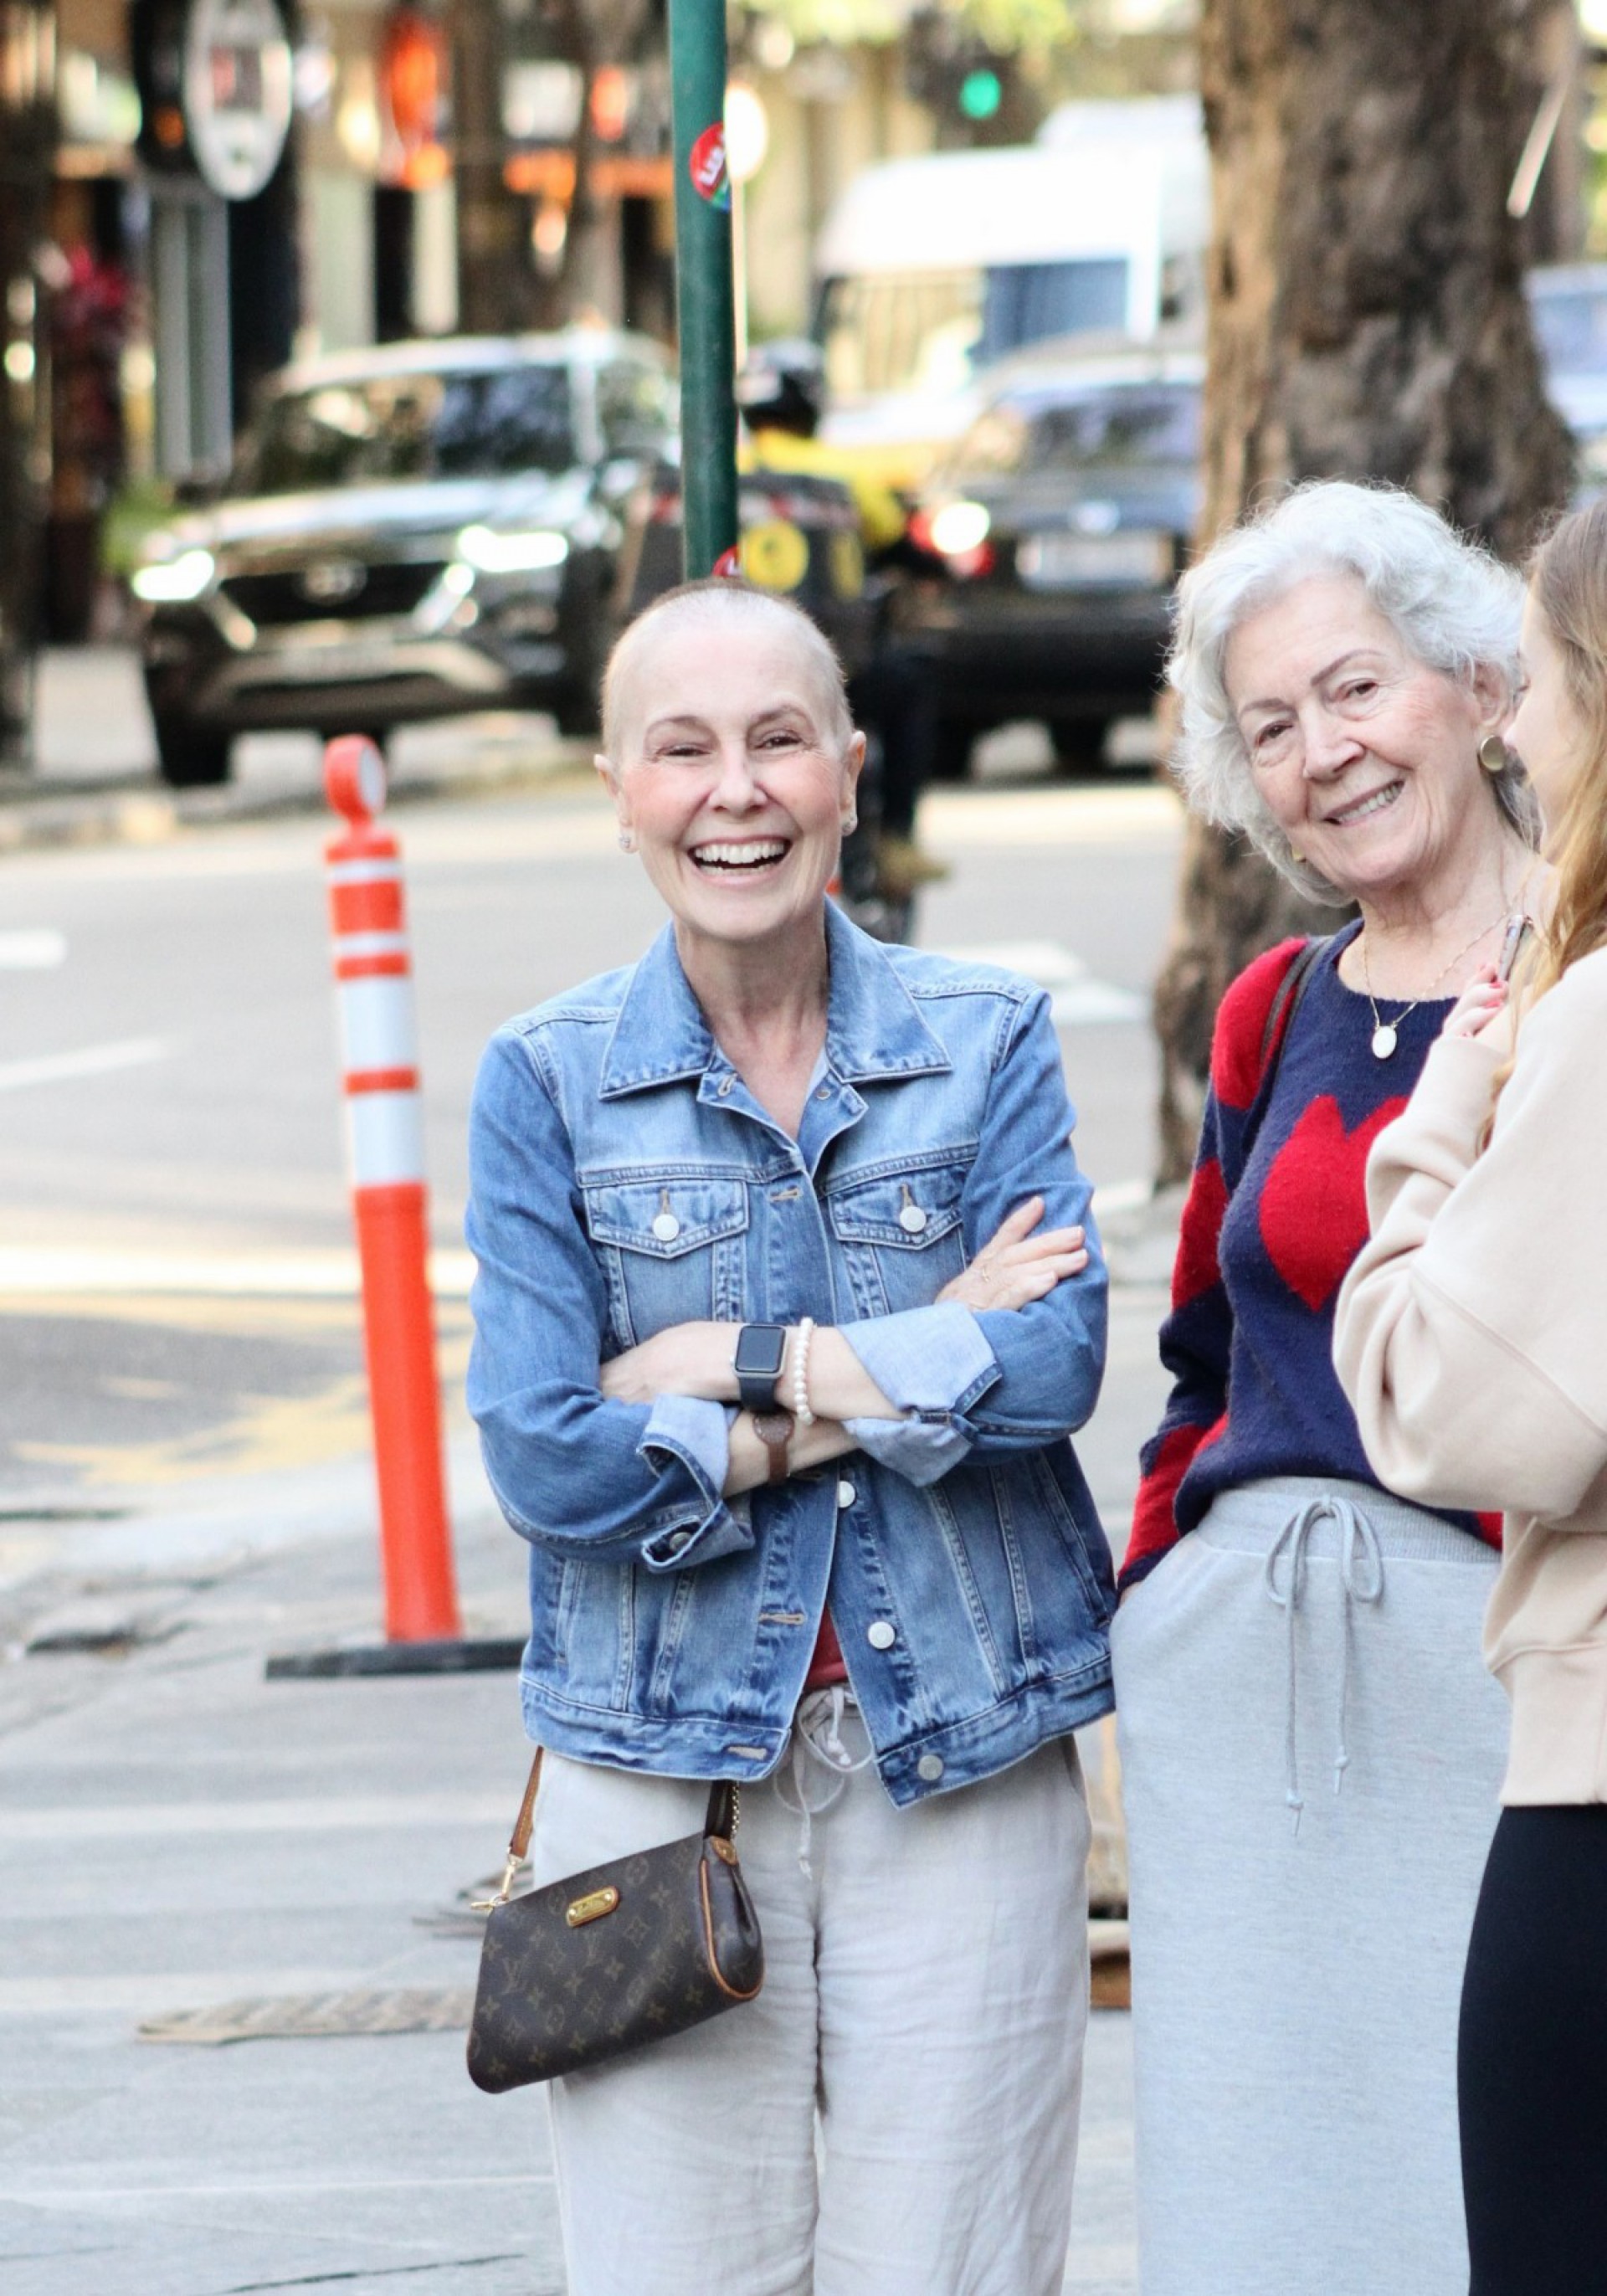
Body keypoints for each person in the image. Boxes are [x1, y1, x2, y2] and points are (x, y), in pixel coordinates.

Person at [465, 575, 1115, 2296]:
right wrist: (891, 1370)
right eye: (682, 749)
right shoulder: (542, 1081)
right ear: (617, 787)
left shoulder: (988, 1041)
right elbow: (544, 1459)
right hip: (657, 1781)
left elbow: (1048, 1367)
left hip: (962, 1763)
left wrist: (712, 1362)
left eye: (776, 742)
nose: (733, 791)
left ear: (847, 770)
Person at [1113, 481, 1543, 2296]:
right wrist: (1149, 1614)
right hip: (1239, 1711)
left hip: (1510, 1690)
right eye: (1271, 727)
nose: (1324, 754)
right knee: (1259, 2210)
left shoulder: (1580, 980)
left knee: (1496, 2190)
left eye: (1354, 691)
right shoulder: (1273, 1010)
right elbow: (1204, 1363)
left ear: (1474, 682)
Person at [1334, 496, 1607, 2296]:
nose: (1509, 718)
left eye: (1539, 671)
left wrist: (1456, 1093)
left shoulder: (1583, 1025)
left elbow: (1450, 1400)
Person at [737, 338, 948, 901]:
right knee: (913, 683)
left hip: (735, 676)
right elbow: (900, 545)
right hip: (837, 673)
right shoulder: (844, 475)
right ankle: (897, 840)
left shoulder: (717, 473)